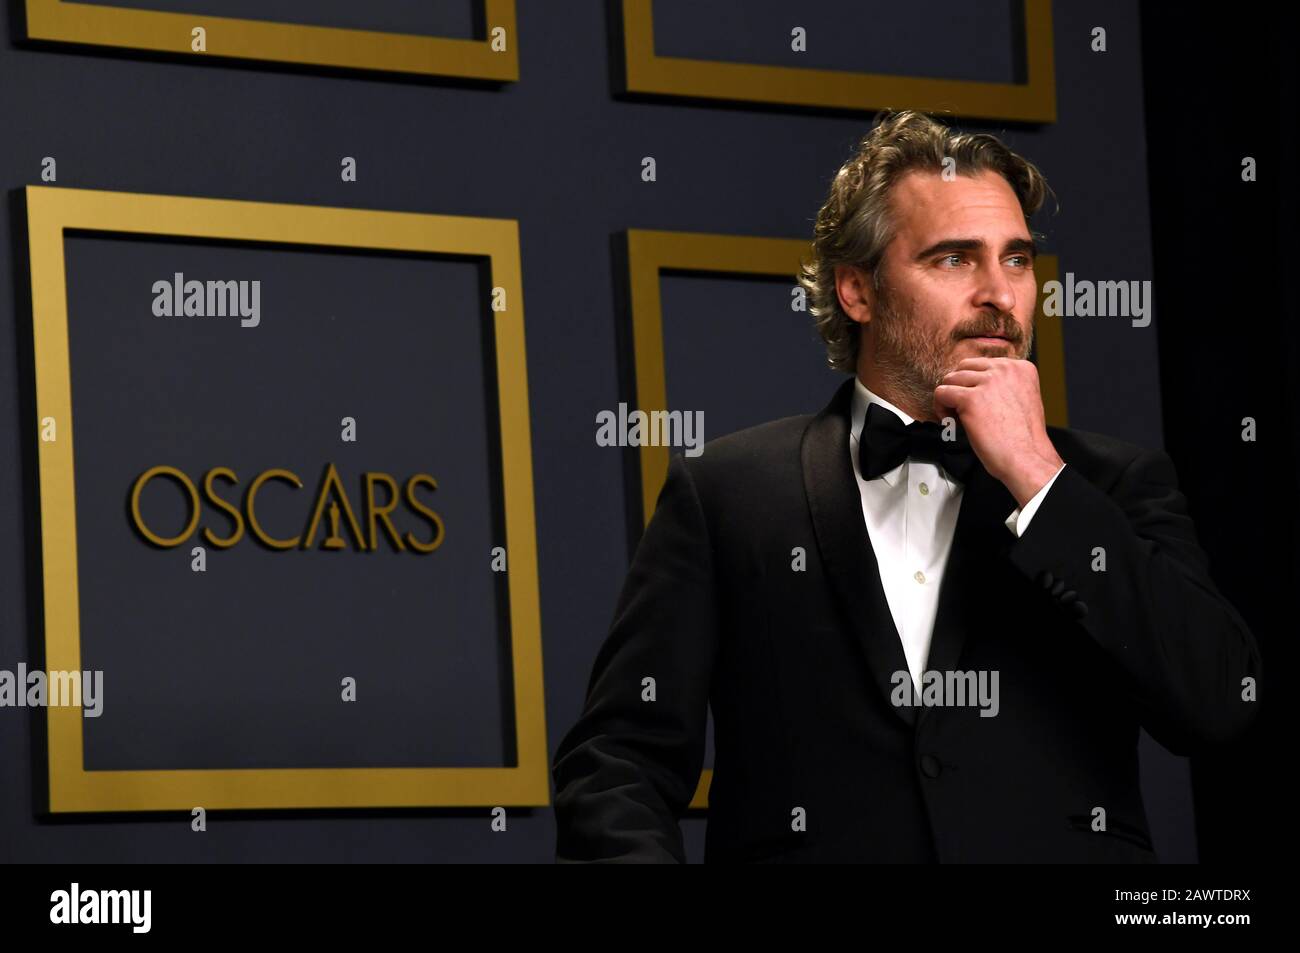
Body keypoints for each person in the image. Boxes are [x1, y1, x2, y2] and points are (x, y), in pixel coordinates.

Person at [551, 110, 1261, 863]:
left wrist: (1040, 481)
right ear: (857, 289)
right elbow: (617, 762)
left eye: (1016, 260)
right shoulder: (726, 491)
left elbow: (1217, 704)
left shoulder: (1116, 485)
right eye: (955, 259)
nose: (1000, 294)